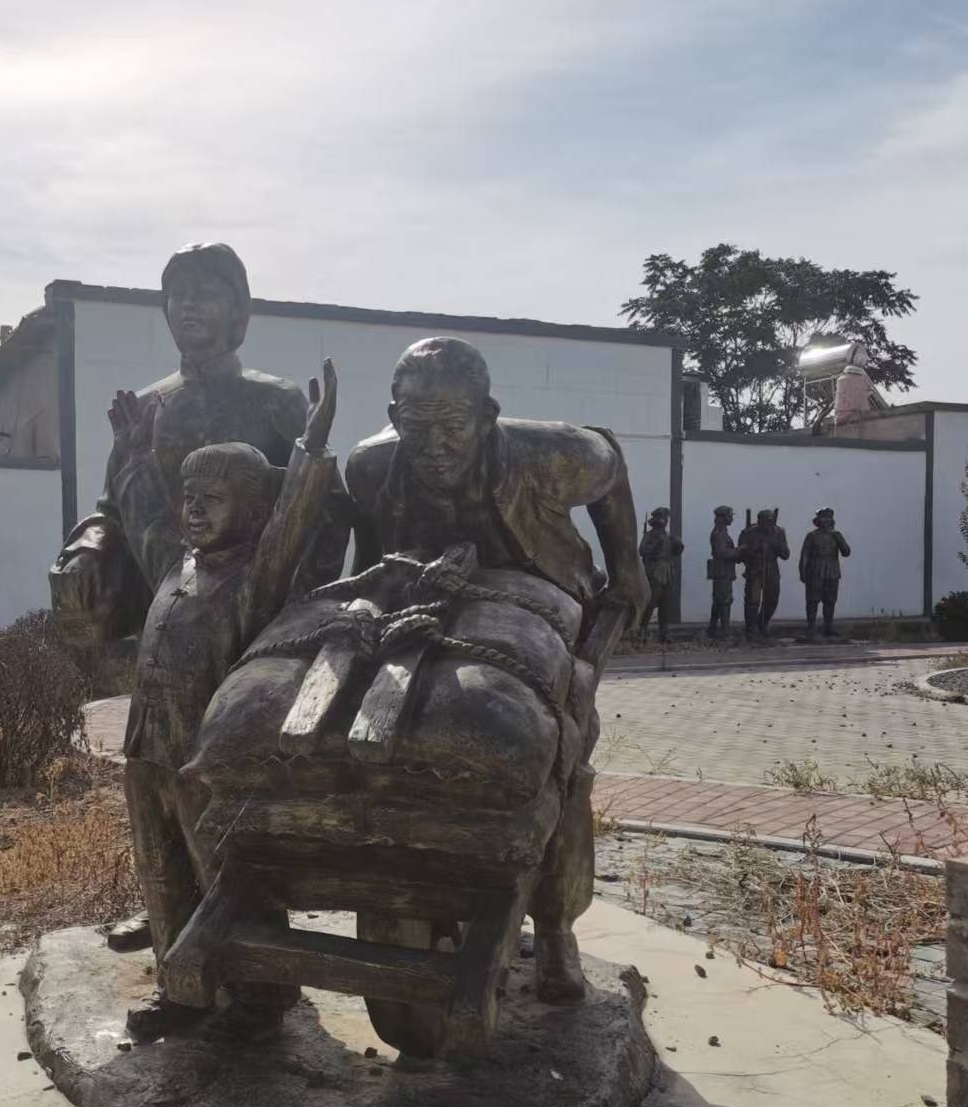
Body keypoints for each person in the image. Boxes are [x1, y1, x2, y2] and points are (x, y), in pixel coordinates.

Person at [51, 242, 349, 955]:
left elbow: (322, 512)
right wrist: (89, 544)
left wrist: (294, 617)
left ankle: (246, 927)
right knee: (157, 774)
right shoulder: (148, 407)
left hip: (253, 619)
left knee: (229, 781)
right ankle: (170, 909)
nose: (189, 304)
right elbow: (114, 508)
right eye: (178, 292)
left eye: (206, 291)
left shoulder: (275, 399)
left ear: (238, 309)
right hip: (173, 606)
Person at [345, 336, 647, 1004]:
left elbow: (612, 460)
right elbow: (371, 556)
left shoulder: (555, 456)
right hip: (431, 603)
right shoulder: (370, 468)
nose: (435, 446)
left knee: (558, 756)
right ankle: (439, 895)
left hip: (541, 608)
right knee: (412, 748)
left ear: (487, 415)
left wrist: (627, 564)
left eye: (454, 426)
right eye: (416, 426)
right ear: (394, 417)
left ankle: (557, 927)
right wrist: (366, 604)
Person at [112, 360, 343, 1041]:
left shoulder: (257, 573)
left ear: (251, 507)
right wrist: (133, 456)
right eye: (189, 495)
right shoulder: (172, 562)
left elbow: (294, 520)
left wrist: (311, 446)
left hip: (213, 763)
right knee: (161, 872)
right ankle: (183, 990)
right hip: (148, 749)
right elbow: (143, 513)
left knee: (228, 873)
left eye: (213, 497)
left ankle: (261, 993)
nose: (194, 508)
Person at [799, 507, 851, 639]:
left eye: (829, 518)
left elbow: (846, 552)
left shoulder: (836, 535)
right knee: (813, 600)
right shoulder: (812, 536)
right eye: (823, 518)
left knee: (830, 600)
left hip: (832, 569)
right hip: (815, 569)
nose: (826, 521)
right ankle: (811, 627)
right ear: (818, 520)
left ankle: (829, 626)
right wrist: (802, 571)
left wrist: (839, 538)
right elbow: (804, 555)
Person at [738, 509, 788, 641]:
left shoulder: (779, 532)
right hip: (755, 569)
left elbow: (786, 555)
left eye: (770, 522)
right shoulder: (748, 533)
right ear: (759, 521)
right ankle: (750, 629)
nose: (768, 525)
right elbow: (740, 555)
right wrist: (755, 550)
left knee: (772, 600)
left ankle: (762, 624)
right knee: (752, 601)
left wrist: (776, 547)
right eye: (765, 522)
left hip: (772, 570)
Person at [637, 506, 684, 643]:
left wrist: (678, 544)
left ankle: (664, 633)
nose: (666, 521)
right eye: (664, 518)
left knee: (666, 603)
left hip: (667, 571)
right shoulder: (650, 535)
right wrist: (654, 546)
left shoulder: (669, 536)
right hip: (654, 570)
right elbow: (642, 551)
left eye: (666, 519)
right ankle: (642, 630)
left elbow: (676, 551)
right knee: (651, 602)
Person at [706, 505, 740, 640]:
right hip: (722, 571)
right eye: (730, 516)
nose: (731, 518)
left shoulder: (722, 532)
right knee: (725, 600)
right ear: (723, 517)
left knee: (719, 601)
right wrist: (739, 550)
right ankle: (725, 632)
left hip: (725, 570)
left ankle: (712, 629)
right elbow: (722, 553)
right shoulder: (718, 534)